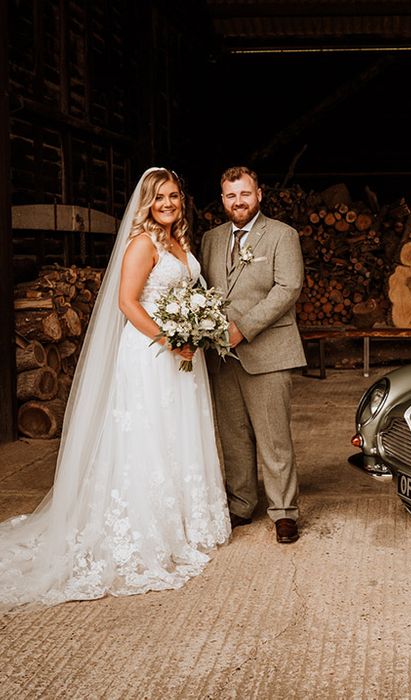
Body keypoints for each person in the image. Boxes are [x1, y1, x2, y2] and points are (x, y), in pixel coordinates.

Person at [0, 168, 230, 611]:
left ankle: (186, 519)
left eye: (174, 197)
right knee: (147, 435)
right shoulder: (142, 243)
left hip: (182, 353)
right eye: (160, 197)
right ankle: (146, 526)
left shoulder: (179, 241)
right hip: (150, 352)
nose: (168, 204)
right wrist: (170, 338)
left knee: (178, 430)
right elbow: (127, 303)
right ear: (146, 202)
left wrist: (196, 329)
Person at [200, 166, 305, 544]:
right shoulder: (211, 239)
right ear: (223, 198)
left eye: (244, 194)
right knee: (234, 435)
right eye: (231, 195)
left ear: (258, 194)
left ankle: (284, 511)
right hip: (221, 354)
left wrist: (242, 328)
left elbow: (288, 287)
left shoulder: (281, 235)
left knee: (274, 438)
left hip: (268, 349)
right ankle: (241, 502)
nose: (238, 201)